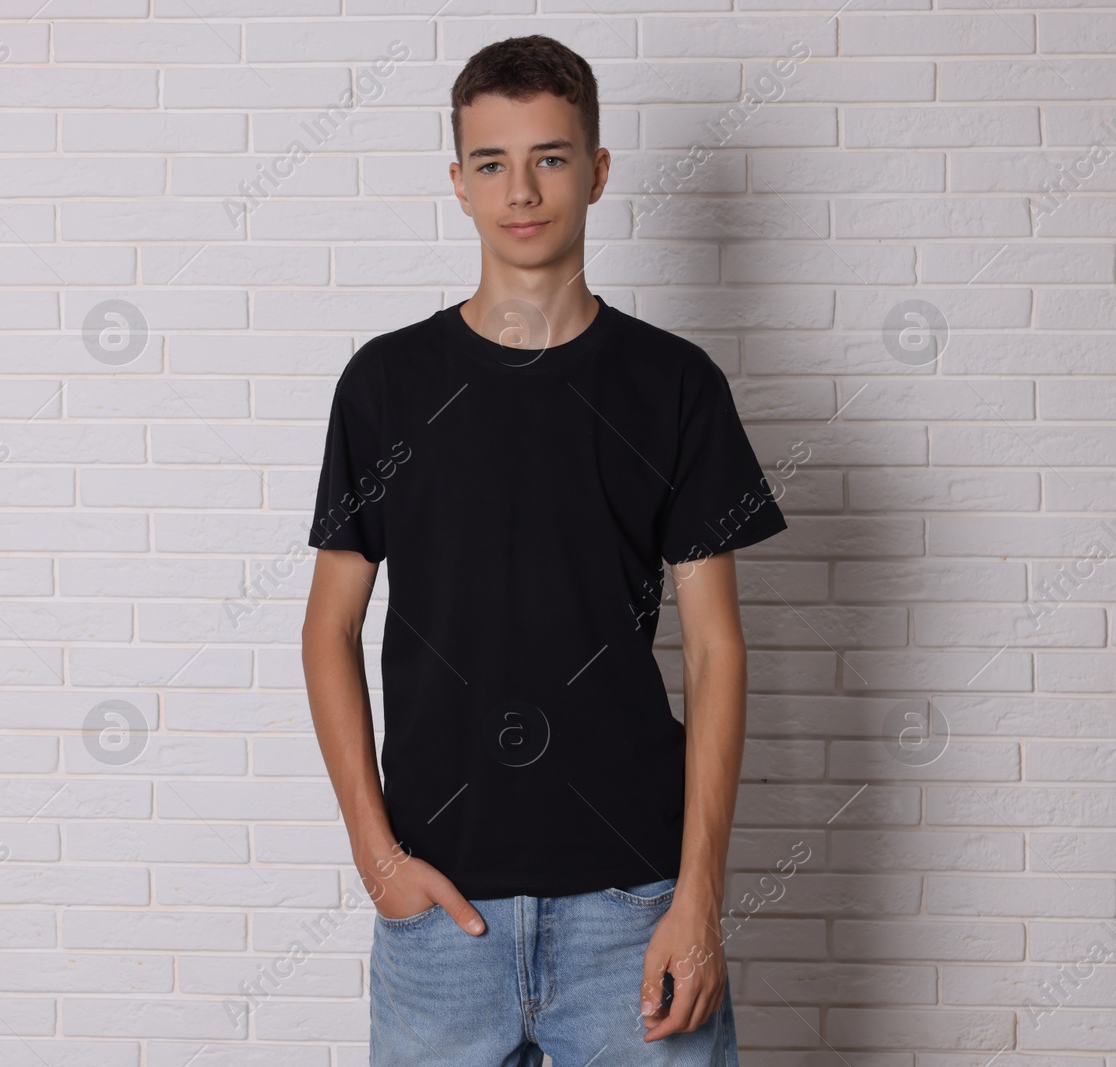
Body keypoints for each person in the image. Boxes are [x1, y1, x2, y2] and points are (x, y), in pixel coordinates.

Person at [300, 34, 788, 1066]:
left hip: (633, 907)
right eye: (492, 162)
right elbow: (327, 628)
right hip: (439, 912)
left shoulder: (673, 386)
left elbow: (715, 651)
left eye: (551, 157)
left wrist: (697, 897)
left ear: (598, 171)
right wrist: (376, 858)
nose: (521, 189)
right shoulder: (386, 383)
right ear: (459, 184)